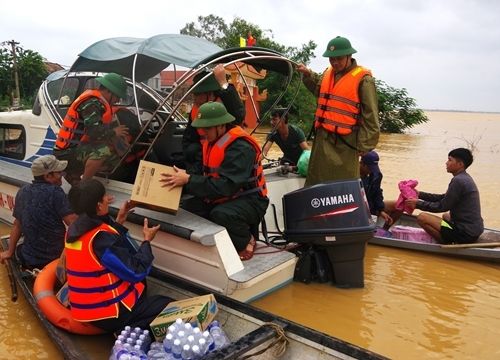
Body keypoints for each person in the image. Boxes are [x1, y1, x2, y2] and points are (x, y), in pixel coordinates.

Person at [161, 102, 268, 261]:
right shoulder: (211, 142)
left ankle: (246, 240)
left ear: (221, 125)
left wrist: (189, 180)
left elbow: (227, 186)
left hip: (251, 200)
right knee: (186, 209)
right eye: (202, 128)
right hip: (224, 195)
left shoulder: (241, 147)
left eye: (208, 128)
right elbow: (203, 172)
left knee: (221, 214)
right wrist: (186, 174)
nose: (203, 132)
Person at [65, 179, 172, 332]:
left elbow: (104, 238)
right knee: (166, 304)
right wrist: (147, 241)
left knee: (143, 287)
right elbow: (136, 271)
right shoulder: (100, 240)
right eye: (104, 197)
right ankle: (127, 330)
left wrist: (120, 219)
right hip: (108, 315)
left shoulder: (73, 230)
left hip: (84, 309)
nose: (108, 199)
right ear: (99, 205)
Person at [297, 36, 380, 186]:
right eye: (331, 59)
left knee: (343, 185)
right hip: (322, 140)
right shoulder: (329, 73)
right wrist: (308, 74)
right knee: (317, 180)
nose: (334, 63)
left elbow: (371, 115)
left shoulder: (364, 80)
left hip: (345, 144)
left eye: (339, 59)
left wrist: (364, 145)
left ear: (349, 56)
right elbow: (319, 89)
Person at [0, 155, 76, 269]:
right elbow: (73, 223)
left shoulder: (23, 191)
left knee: (22, 247)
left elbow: (17, 225)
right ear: (47, 176)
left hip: (28, 257)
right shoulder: (56, 192)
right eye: (59, 173)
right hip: (54, 257)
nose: (61, 176)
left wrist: (10, 251)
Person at [53, 72, 130, 185]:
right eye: (117, 96)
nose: (117, 100)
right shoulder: (91, 103)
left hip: (75, 148)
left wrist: (119, 142)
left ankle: (75, 173)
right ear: (109, 91)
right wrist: (114, 132)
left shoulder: (98, 102)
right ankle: (84, 187)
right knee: (103, 151)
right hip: (66, 152)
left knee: (114, 159)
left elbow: (99, 127)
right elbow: (94, 132)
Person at [405, 148, 484, 244]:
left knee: (422, 217)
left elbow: (442, 206)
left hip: (465, 233)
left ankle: (447, 242)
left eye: (450, 160)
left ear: (460, 164)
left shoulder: (458, 181)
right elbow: (443, 198)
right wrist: (420, 194)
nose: (446, 163)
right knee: (446, 216)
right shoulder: (464, 178)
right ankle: (452, 237)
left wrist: (418, 204)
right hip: (474, 230)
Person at [182, 64, 245, 175]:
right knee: (190, 151)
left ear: (210, 94)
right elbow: (188, 139)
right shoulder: (196, 110)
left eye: (198, 94)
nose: (194, 98)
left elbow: (239, 114)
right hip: (202, 155)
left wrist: (223, 83)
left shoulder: (225, 105)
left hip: (226, 155)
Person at [360, 151, 393, 226]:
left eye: (373, 168)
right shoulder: (353, 177)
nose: (371, 171)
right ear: (362, 163)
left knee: (398, 205)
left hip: (371, 207)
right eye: (369, 168)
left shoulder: (375, 175)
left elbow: (377, 192)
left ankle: (383, 232)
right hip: (360, 209)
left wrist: (380, 210)